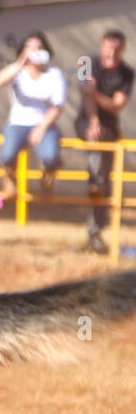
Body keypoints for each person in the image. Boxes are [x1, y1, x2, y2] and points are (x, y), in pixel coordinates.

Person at [0, 31, 66, 205]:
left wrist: (41, 128)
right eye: (31, 48)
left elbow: (58, 106)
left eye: (39, 48)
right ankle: (10, 183)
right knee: (6, 156)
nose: (35, 51)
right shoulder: (16, 71)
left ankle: (47, 179)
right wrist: (19, 64)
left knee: (50, 157)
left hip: (46, 124)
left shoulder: (54, 74)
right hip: (17, 123)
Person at [76, 29, 132, 254]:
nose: (112, 51)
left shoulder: (127, 73)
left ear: (122, 49)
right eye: (109, 46)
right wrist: (93, 120)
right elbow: (84, 92)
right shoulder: (87, 62)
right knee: (94, 140)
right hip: (86, 122)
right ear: (102, 46)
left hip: (110, 128)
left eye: (116, 48)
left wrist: (96, 95)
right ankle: (95, 180)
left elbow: (117, 105)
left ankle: (96, 231)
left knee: (105, 183)